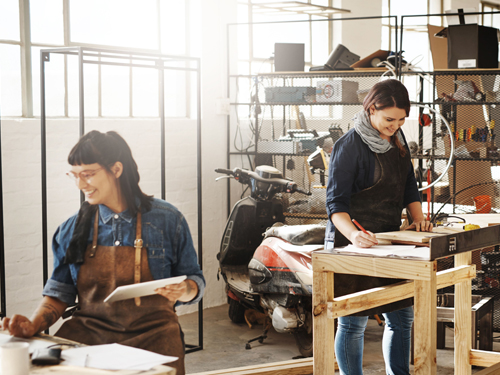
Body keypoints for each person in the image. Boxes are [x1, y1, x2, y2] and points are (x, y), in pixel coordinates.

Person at [1, 130, 204, 375]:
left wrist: (185, 289)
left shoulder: (168, 220)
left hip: (155, 336)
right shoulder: (71, 229)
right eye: (74, 175)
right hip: (90, 336)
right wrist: (32, 324)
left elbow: (194, 279)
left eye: (87, 174)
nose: (80, 184)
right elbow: (59, 293)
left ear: (116, 169)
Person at [325, 79, 433, 375]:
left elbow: (409, 185)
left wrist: (418, 218)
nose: (395, 125)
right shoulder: (348, 147)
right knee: (353, 321)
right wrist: (354, 235)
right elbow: (336, 205)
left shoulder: (397, 143)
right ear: (371, 109)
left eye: (401, 120)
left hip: (389, 241)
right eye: (389, 119)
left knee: (401, 317)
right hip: (353, 243)